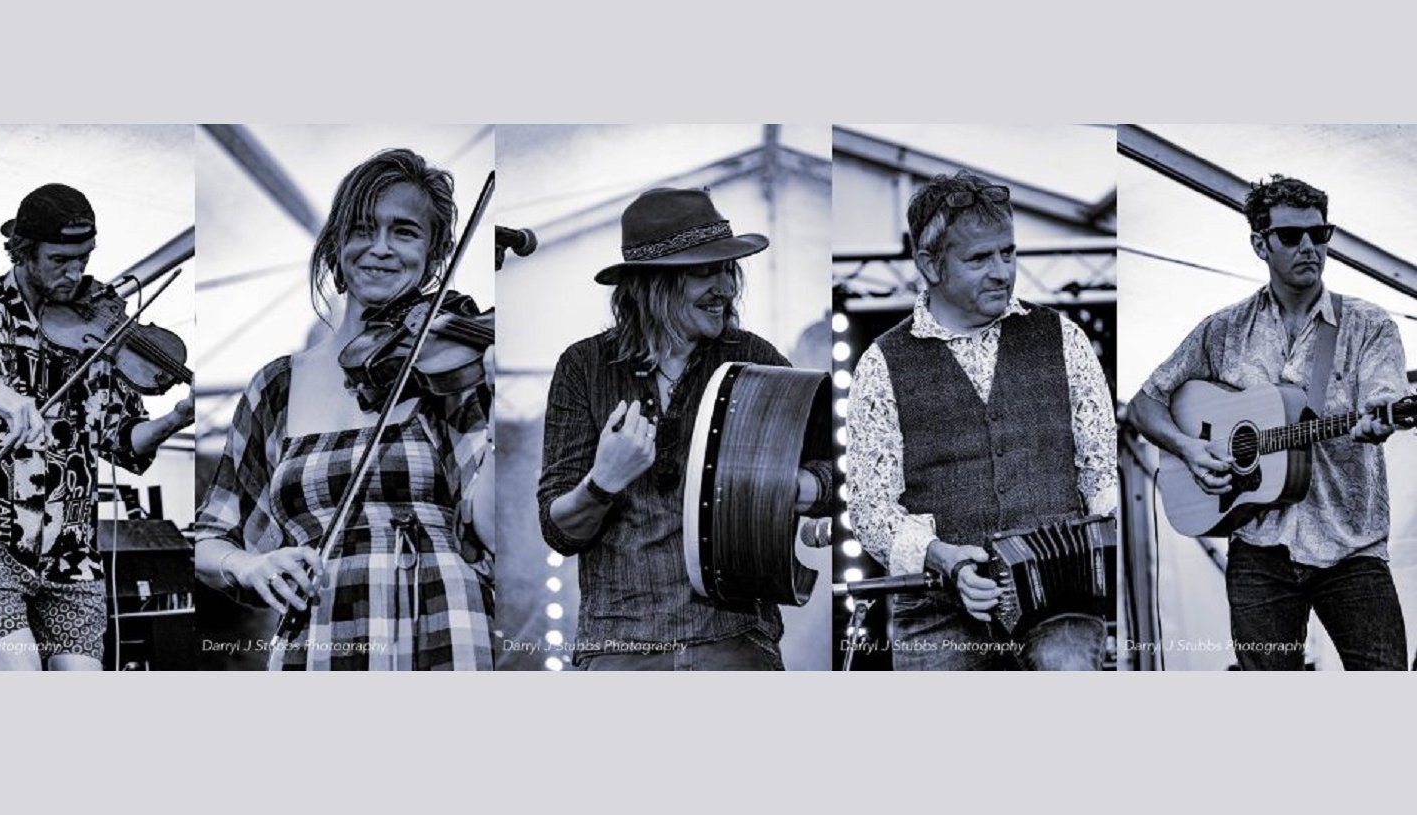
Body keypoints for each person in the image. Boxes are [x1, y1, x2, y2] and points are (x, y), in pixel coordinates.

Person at [194, 149, 495, 670]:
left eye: (405, 232)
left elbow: (490, 526)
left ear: (434, 252)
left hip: (442, 627)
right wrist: (251, 566)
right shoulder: (276, 386)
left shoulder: (450, 373)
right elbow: (207, 539)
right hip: (320, 636)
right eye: (362, 229)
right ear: (337, 244)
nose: (379, 248)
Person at [538, 187, 832, 671]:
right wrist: (603, 481)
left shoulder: (754, 360)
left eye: (727, 269)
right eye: (705, 271)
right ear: (654, 282)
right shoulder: (583, 367)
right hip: (619, 646)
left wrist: (801, 486)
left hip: (736, 640)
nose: (725, 287)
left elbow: (837, 470)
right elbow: (558, 530)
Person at [1126, 174, 1408, 670]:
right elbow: (1145, 403)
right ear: (1260, 243)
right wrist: (1191, 449)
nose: (1309, 247)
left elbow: (1385, 393)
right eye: (1291, 236)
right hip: (1259, 547)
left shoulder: (1369, 324)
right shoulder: (1223, 330)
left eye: (1319, 234)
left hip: (1352, 545)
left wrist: (1379, 418)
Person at [847, 170, 1118, 670]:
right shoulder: (881, 363)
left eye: (1008, 253)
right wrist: (942, 557)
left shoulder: (1064, 338)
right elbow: (869, 509)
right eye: (979, 258)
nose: (1002, 271)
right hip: (937, 613)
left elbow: (1102, 474)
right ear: (930, 264)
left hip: (1060, 605)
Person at [0, 183, 194, 670]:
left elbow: (124, 441)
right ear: (25, 252)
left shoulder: (102, 330)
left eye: (84, 258)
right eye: (60, 260)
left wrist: (175, 419)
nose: (76, 274)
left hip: (72, 552)